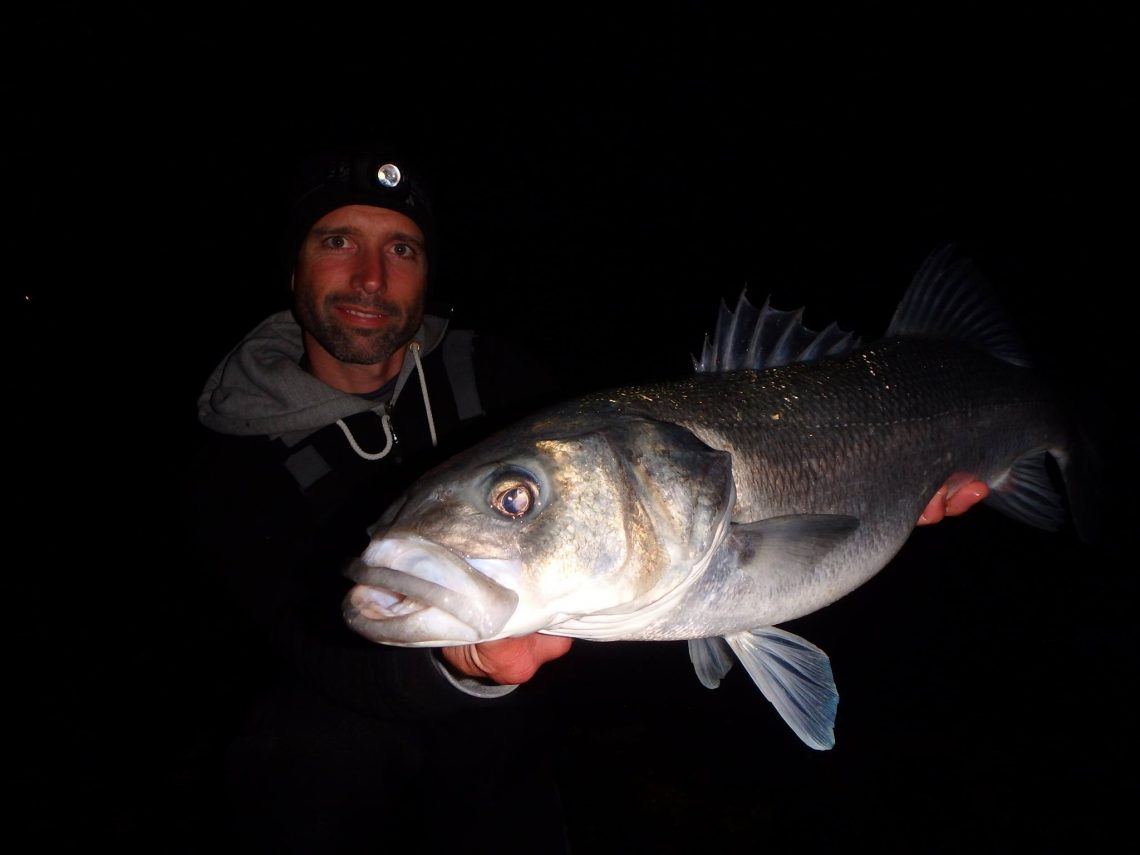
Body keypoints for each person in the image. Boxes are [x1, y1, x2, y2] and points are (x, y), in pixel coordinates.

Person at [183, 140, 987, 852]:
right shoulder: (232, 457)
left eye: (401, 248)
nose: (370, 276)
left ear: (428, 274)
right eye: (337, 241)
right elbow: (316, 645)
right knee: (294, 749)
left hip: (503, 750)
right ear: (293, 267)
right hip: (346, 741)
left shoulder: (498, 378)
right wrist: (465, 664)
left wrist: (903, 469)